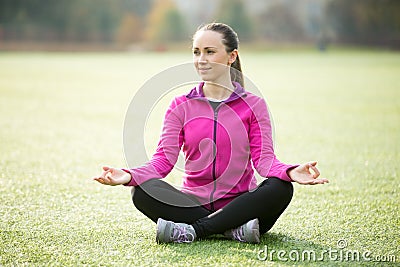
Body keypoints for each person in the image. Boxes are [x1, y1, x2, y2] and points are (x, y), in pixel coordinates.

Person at [93, 23, 329, 244]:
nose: (201, 60)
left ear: (231, 56)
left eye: (209, 52)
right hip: (194, 204)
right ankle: (231, 230)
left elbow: (264, 161)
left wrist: (289, 171)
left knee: (281, 187)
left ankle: (194, 231)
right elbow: (163, 161)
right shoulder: (180, 105)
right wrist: (128, 175)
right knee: (141, 190)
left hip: (242, 205)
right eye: (196, 52)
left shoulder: (254, 105)